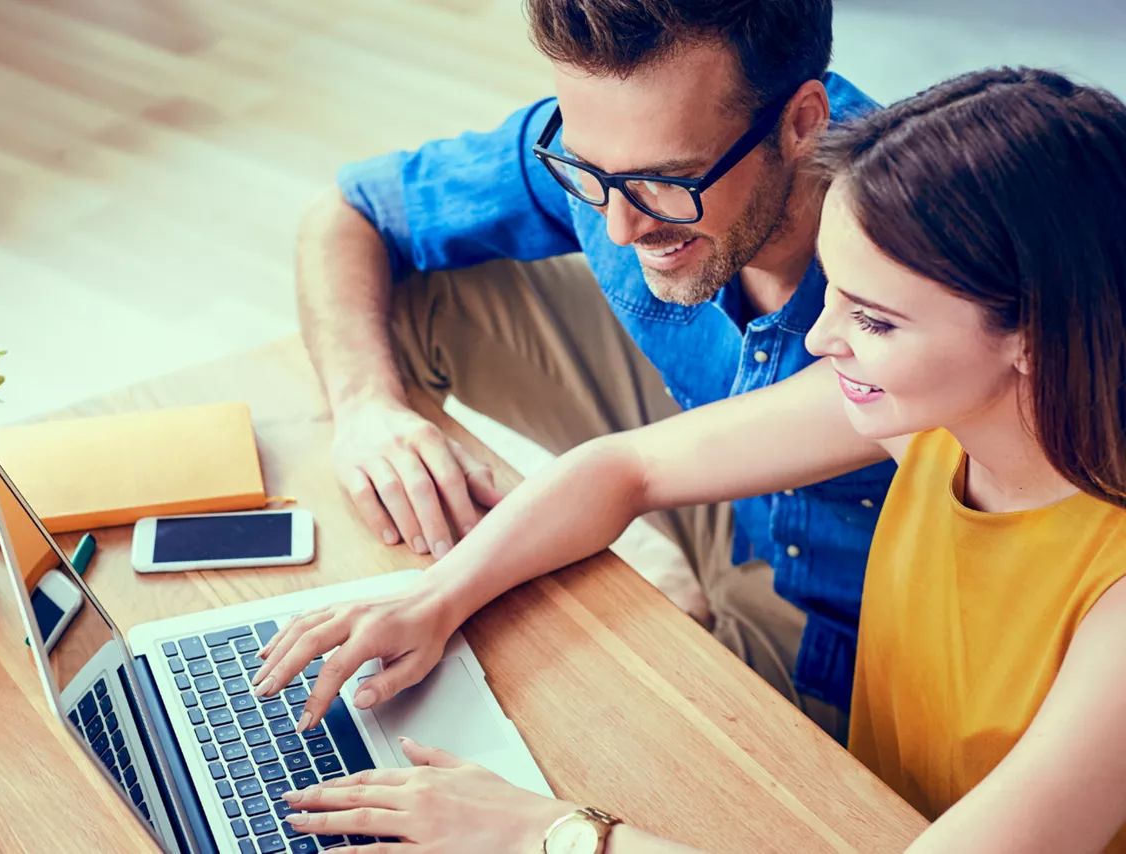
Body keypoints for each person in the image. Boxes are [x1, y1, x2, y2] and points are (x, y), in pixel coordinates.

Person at [260, 68, 1126, 853]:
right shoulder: (931, 417)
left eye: (874, 321)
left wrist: (552, 836)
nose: (823, 338)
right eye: (838, 291)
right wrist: (433, 600)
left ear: (1035, 337)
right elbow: (623, 471)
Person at [298, 0, 891, 734]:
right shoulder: (618, 147)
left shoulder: (920, 249)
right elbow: (349, 211)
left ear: (802, 123)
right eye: (590, 170)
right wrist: (366, 409)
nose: (618, 227)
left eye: (667, 180)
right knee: (405, 297)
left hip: (845, 602)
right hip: (697, 464)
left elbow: (626, 472)